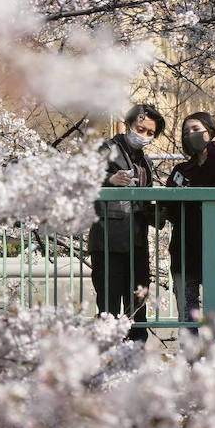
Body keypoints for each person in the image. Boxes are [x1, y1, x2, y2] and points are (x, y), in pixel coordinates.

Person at [88, 104, 164, 343]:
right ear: (128, 125)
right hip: (108, 241)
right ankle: (107, 358)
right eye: (140, 129)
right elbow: (81, 178)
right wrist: (109, 179)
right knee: (109, 306)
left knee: (137, 305)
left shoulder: (144, 162)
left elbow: (143, 201)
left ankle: (137, 355)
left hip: (137, 241)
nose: (144, 136)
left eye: (151, 133)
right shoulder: (106, 149)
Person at [165, 111, 215, 336]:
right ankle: (190, 363)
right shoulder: (181, 170)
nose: (191, 135)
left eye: (197, 129)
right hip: (184, 248)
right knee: (187, 312)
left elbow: (210, 181)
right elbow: (171, 205)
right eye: (187, 132)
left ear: (212, 132)